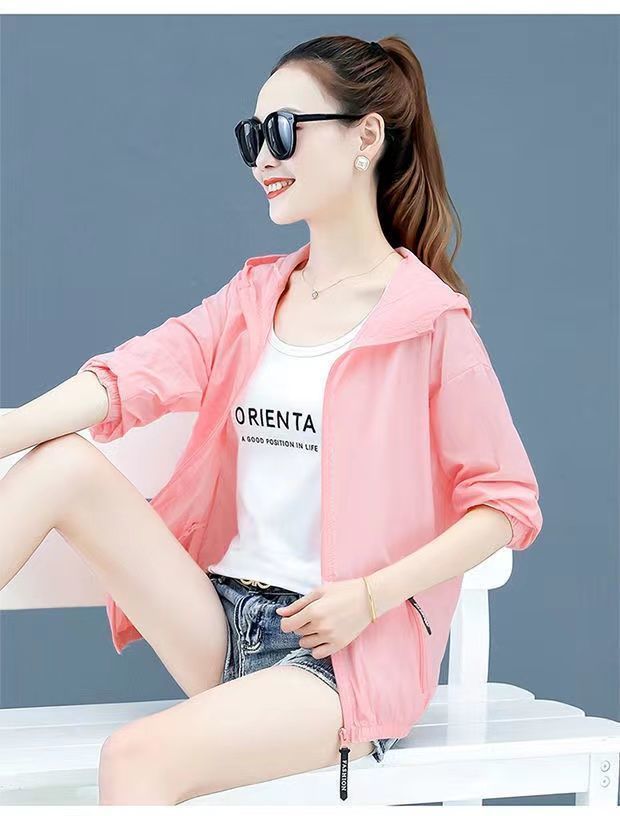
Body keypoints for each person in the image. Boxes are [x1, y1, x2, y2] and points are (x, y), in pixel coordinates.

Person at [0, 34, 542, 805]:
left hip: (339, 657)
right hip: (221, 620)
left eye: (284, 130)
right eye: (252, 135)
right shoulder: (254, 299)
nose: (262, 158)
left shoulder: (429, 324)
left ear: (365, 136)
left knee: (135, 759)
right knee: (60, 463)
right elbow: (130, 377)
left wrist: (371, 596)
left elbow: (507, 504)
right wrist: (12, 428)